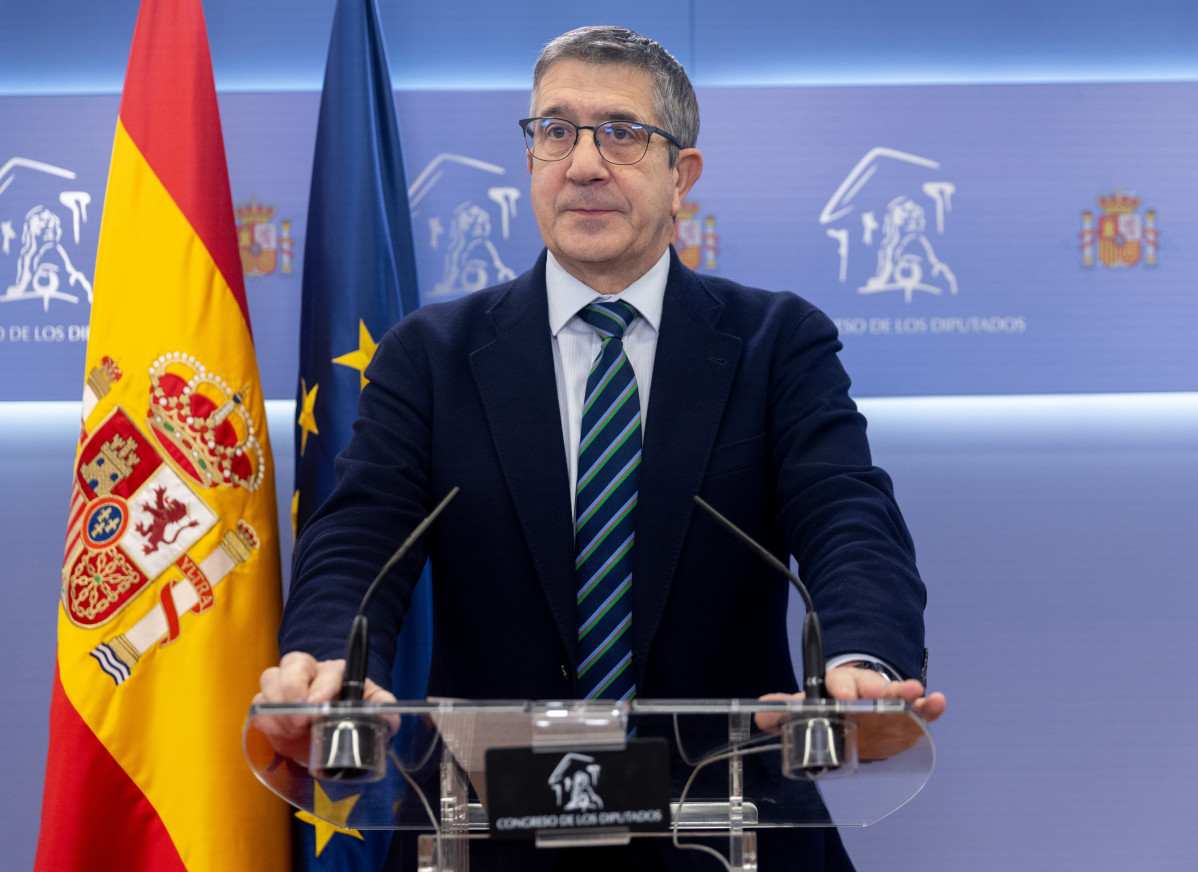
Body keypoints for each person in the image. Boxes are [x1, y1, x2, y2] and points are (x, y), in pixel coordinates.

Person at [258, 25, 945, 870]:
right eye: (555, 131)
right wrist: (326, 660)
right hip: (482, 834)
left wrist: (861, 662)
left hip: (726, 828)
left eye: (620, 133)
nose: (583, 163)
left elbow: (848, 515)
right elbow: (359, 533)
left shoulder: (776, 344)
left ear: (681, 174)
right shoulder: (430, 356)